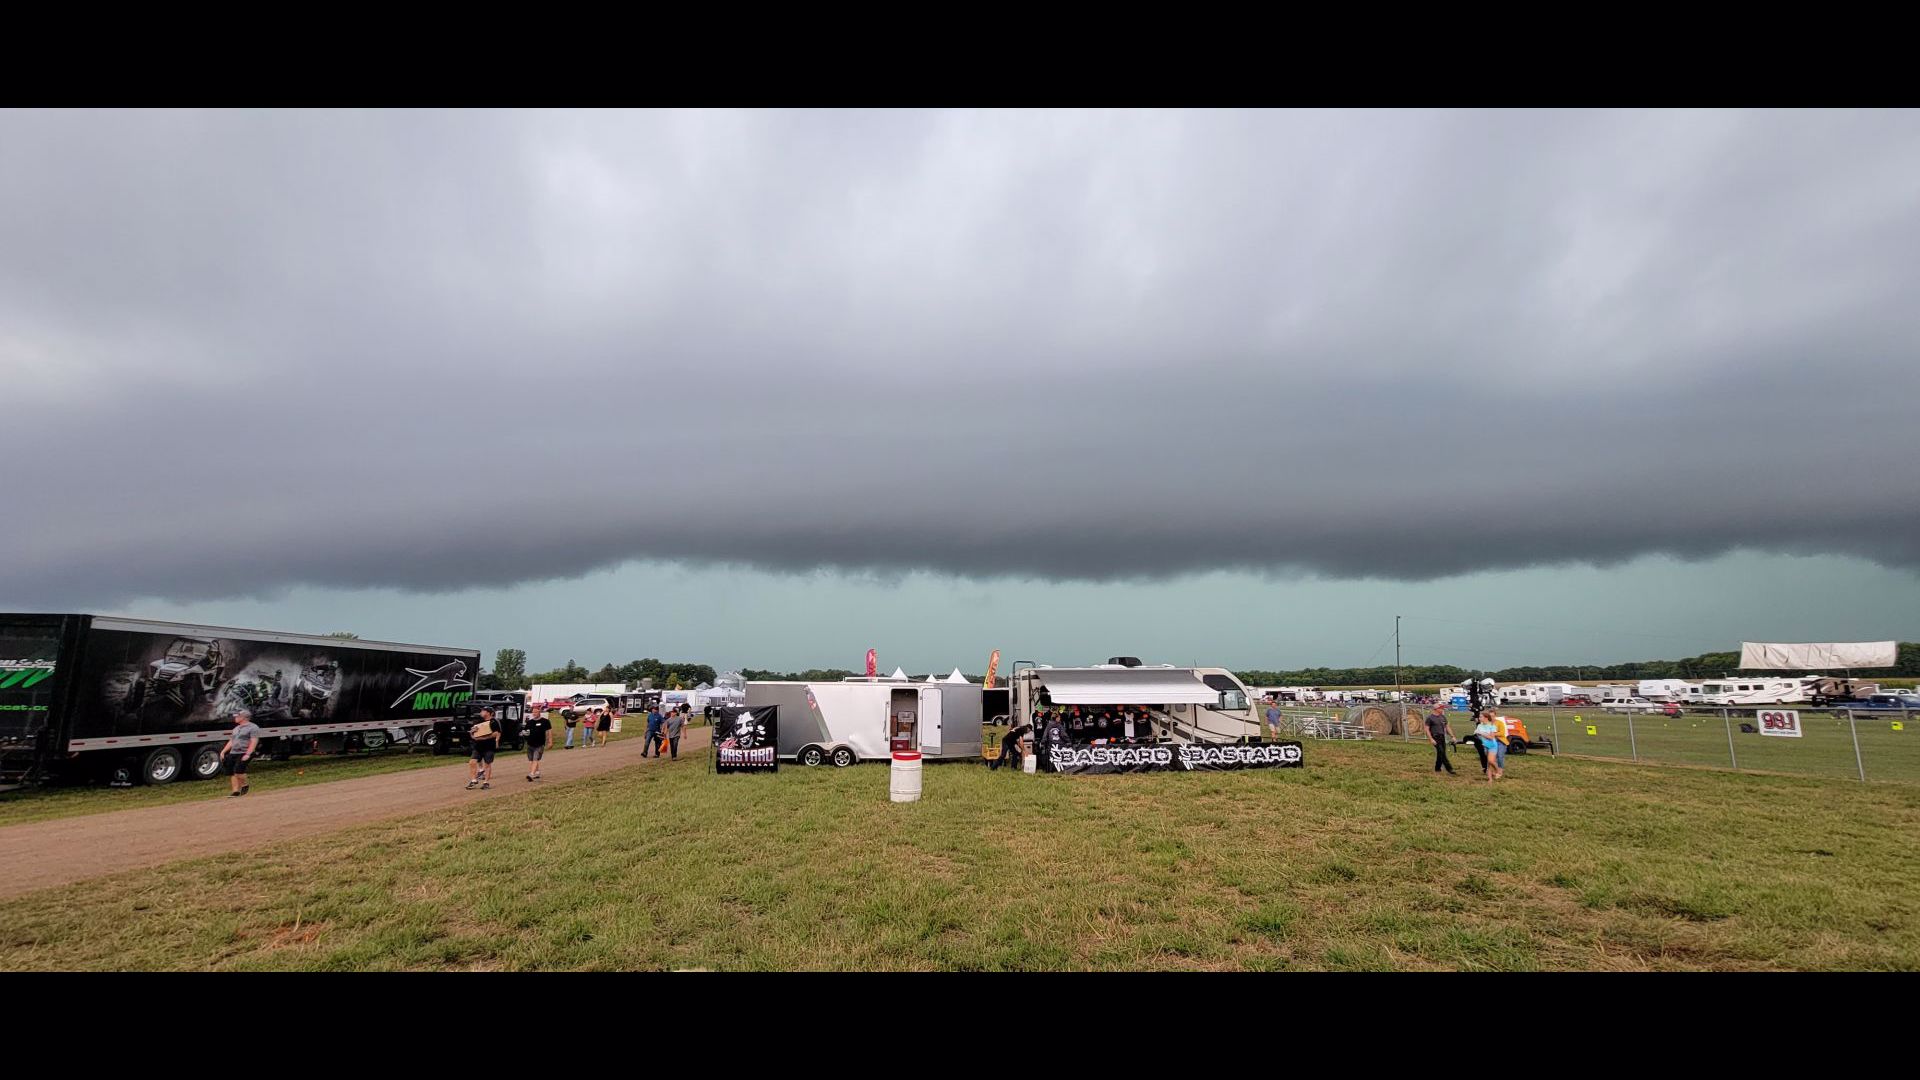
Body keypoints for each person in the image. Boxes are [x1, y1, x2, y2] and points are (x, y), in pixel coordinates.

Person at [219, 709, 260, 797]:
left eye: (237, 716)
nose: (235, 718)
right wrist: (223, 751)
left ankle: (245, 785)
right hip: (234, 752)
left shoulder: (253, 727)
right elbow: (231, 741)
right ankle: (235, 792)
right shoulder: (236, 728)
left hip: (244, 752)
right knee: (231, 772)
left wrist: (248, 754)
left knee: (238, 771)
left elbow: (254, 741)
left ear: (244, 717)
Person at [466, 707, 500, 789]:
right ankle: (474, 780)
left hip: (489, 746)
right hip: (478, 746)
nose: (481, 712)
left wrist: (485, 738)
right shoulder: (479, 721)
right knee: (472, 762)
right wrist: (472, 733)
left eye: (483, 711)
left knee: (487, 765)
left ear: (489, 713)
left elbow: (496, 733)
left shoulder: (494, 722)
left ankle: (486, 782)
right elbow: (474, 733)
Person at [1424, 704, 1455, 776]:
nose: (1442, 710)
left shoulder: (1443, 717)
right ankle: (1449, 769)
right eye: (1441, 708)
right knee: (1442, 753)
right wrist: (1431, 739)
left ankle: (1437, 768)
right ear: (1436, 709)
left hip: (1442, 737)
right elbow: (1427, 729)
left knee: (1440, 753)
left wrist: (1452, 736)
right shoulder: (1430, 718)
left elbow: (1447, 727)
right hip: (1435, 737)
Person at [524, 706, 553, 781]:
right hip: (530, 744)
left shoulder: (545, 721)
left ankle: (531, 774)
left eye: (536, 712)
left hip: (539, 744)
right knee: (531, 760)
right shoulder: (529, 722)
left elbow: (549, 732)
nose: (534, 713)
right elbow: (525, 732)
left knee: (535, 759)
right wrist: (523, 733)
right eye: (533, 712)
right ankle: (537, 772)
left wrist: (550, 742)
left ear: (539, 712)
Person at [1473, 711, 1503, 783]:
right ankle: (1490, 779)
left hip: (1492, 745)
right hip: (1485, 746)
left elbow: (1491, 737)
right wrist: (1477, 734)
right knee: (1488, 764)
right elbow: (1477, 735)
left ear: (1486, 718)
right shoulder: (1479, 726)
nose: (1479, 718)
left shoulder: (1492, 726)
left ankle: (1498, 771)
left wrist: (1481, 733)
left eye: (1481, 717)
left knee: (1490, 761)